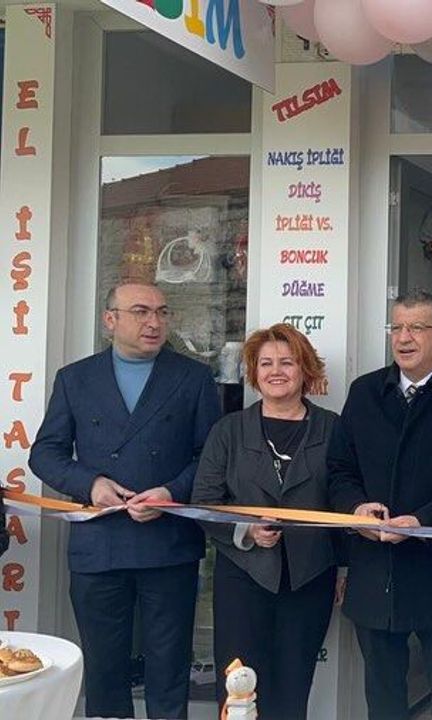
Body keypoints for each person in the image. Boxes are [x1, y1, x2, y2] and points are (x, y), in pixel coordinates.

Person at [29, 282, 221, 719]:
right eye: (141, 311)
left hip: (169, 544)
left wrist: (171, 493)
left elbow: (211, 457)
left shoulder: (193, 377)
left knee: (169, 670)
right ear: (110, 319)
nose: (154, 322)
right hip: (99, 545)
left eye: (162, 312)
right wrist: (91, 483)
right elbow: (45, 453)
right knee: (104, 670)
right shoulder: (75, 378)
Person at [327, 290, 432, 720]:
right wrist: (356, 510)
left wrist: (423, 520)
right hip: (375, 568)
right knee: (383, 697)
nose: (403, 337)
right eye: (396, 327)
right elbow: (339, 469)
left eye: (416, 328)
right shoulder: (365, 392)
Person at [192, 324, 339, 719]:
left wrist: (345, 566)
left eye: (287, 362)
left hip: (309, 577)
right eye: (266, 363)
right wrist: (246, 531)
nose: (276, 371)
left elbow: (344, 497)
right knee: (239, 688)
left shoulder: (333, 428)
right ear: (254, 373)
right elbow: (204, 501)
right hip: (243, 577)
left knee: (293, 687)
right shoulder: (228, 430)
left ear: (305, 370)